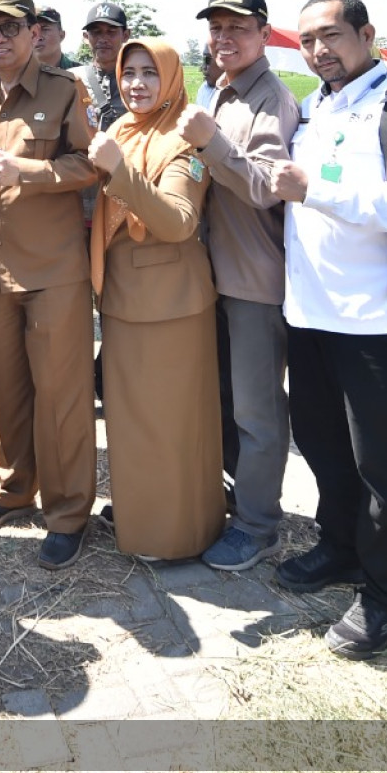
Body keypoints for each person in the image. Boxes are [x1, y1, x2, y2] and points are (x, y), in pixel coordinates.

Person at [269, 0, 387, 659]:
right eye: (308, 41)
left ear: (366, 34)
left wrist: (313, 190)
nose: (319, 50)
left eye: (332, 36)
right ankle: (340, 546)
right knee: (322, 446)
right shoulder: (317, 105)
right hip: (310, 313)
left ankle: (384, 593)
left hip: (378, 319)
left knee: (383, 468)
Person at [0, 0, 100, 569]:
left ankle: (68, 513)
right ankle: (12, 490)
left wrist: (28, 170)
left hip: (54, 270)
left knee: (61, 396)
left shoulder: (64, 90)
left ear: (34, 33)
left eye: (9, 27)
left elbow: (90, 163)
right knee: (7, 390)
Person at [174, 0, 300, 571]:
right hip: (214, 274)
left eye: (238, 28)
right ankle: (232, 498)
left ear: (264, 34)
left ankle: (257, 525)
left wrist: (212, 143)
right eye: (216, 28)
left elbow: (265, 187)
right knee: (222, 401)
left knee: (256, 411)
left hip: (253, 279)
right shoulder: (222, 92)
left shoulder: (271, 99)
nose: (224, 38)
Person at [89, 37, 224, 561]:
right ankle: (140, 517)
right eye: (129, 73)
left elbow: (179, 221)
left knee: (171, 425)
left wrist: (119, 173)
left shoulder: (184, 138)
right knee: (131, 422)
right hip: (122, 298)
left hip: (171, 306)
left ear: (169, 78)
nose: (137, 84)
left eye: (149, 73)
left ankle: (175, 535)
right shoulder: (122, 129)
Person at [73, 1, 132, 130]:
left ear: (125, 35)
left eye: (111, 32)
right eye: (96, 32)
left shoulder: (137, 81)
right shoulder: (72, 80)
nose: (103, 39)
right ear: (86, 37)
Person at [31, 6, 69, 72]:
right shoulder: (16, 75)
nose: (38, 37)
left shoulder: (81, 74)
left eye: (44, 29)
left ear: (61, 35)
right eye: (33, 31)